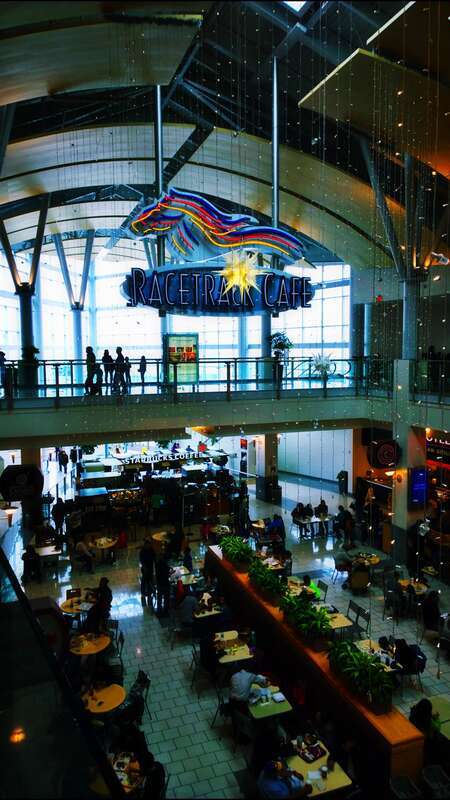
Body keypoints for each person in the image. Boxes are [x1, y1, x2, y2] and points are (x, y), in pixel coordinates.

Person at [140, 538, 156, 605]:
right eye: (147, 545)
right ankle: (143, 594)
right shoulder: (142, 552)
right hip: (145, 569)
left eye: (149, 545)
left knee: (150, 581)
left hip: (150, 568)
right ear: (145, 545)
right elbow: (142, 561)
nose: (148, 546)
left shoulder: (151, 550)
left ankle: (150, 593)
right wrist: (145, 568)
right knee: (144, 581)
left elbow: (154, 558)